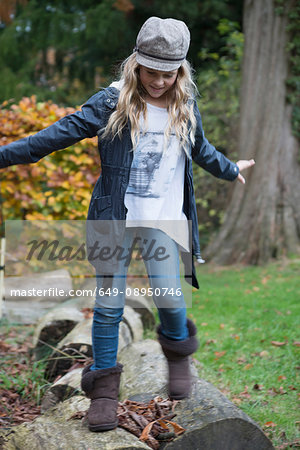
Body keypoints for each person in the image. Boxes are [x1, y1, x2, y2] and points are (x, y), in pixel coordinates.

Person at [0, 17, 255, 432]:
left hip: (162, 221)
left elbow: (203, 151)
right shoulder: (111, 103)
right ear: (136, 63)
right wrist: (4, 155)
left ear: (180, 71)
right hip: (113, 220)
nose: (157, 81)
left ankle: (177, 354)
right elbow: (52, 137)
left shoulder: (185, 106)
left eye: (167, 74)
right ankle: (103, 393)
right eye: (150, 71)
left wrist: (230, 169)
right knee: (108, 306)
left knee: (169, 298)